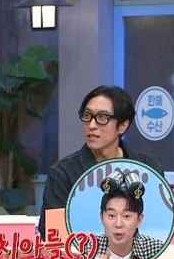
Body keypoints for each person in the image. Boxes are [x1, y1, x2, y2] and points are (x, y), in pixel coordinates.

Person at [38, 85, 162, 238]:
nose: (91, 125)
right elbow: (53, 235)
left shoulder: (149, 169)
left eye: (102, 118)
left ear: (123, 125)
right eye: (87, 116)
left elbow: (161, 225)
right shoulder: (63, 173)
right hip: (81, 252)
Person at [93, 186, 163, 259]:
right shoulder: (87, 250)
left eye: (126, 216)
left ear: (139, 220)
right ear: (101, 218)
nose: (118, 224)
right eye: (112, 215)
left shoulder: (156, 249)